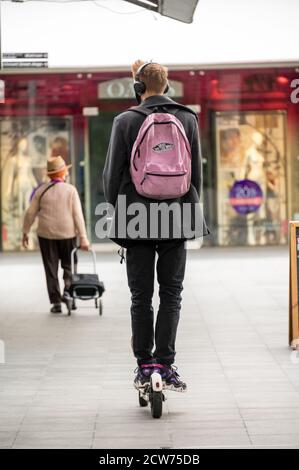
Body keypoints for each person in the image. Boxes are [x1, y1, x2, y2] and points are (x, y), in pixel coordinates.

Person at [103, 60, 210, 392]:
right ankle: (165, 363)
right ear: (168, 86)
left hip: (136, 217)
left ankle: (144, 365)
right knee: (172, 293)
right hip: (176, 216)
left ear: (139, 88)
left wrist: (116, 213)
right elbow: (195, 174)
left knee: (140, 296)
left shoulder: (124, 121)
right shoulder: (188, 118)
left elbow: (112, 174)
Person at [22, 156, 90, 313]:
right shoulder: (70, 190)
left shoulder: (41, 190)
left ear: (50, 175)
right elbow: (78, 215)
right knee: (69, 266)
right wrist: (84, 238)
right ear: (64, 172)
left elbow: (30, 213)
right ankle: (68, 293)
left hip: (46, 235)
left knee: (50, 268)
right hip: (68, 234)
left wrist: (25, 232)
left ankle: (56, 303)